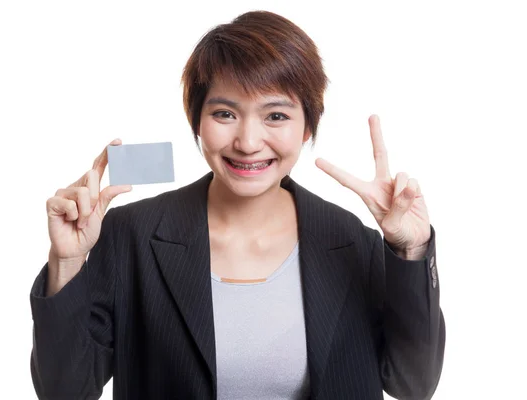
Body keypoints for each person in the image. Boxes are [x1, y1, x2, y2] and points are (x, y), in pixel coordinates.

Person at [29, 10, 445, 400]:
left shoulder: (352, 240)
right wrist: (66, 262)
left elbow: (413, 384)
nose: (247, 142)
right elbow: (66, 391)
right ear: (197, 122)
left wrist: (410, 250)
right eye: (225, 113)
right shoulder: (129, 234)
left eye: (276, 116)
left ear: (307, 128)